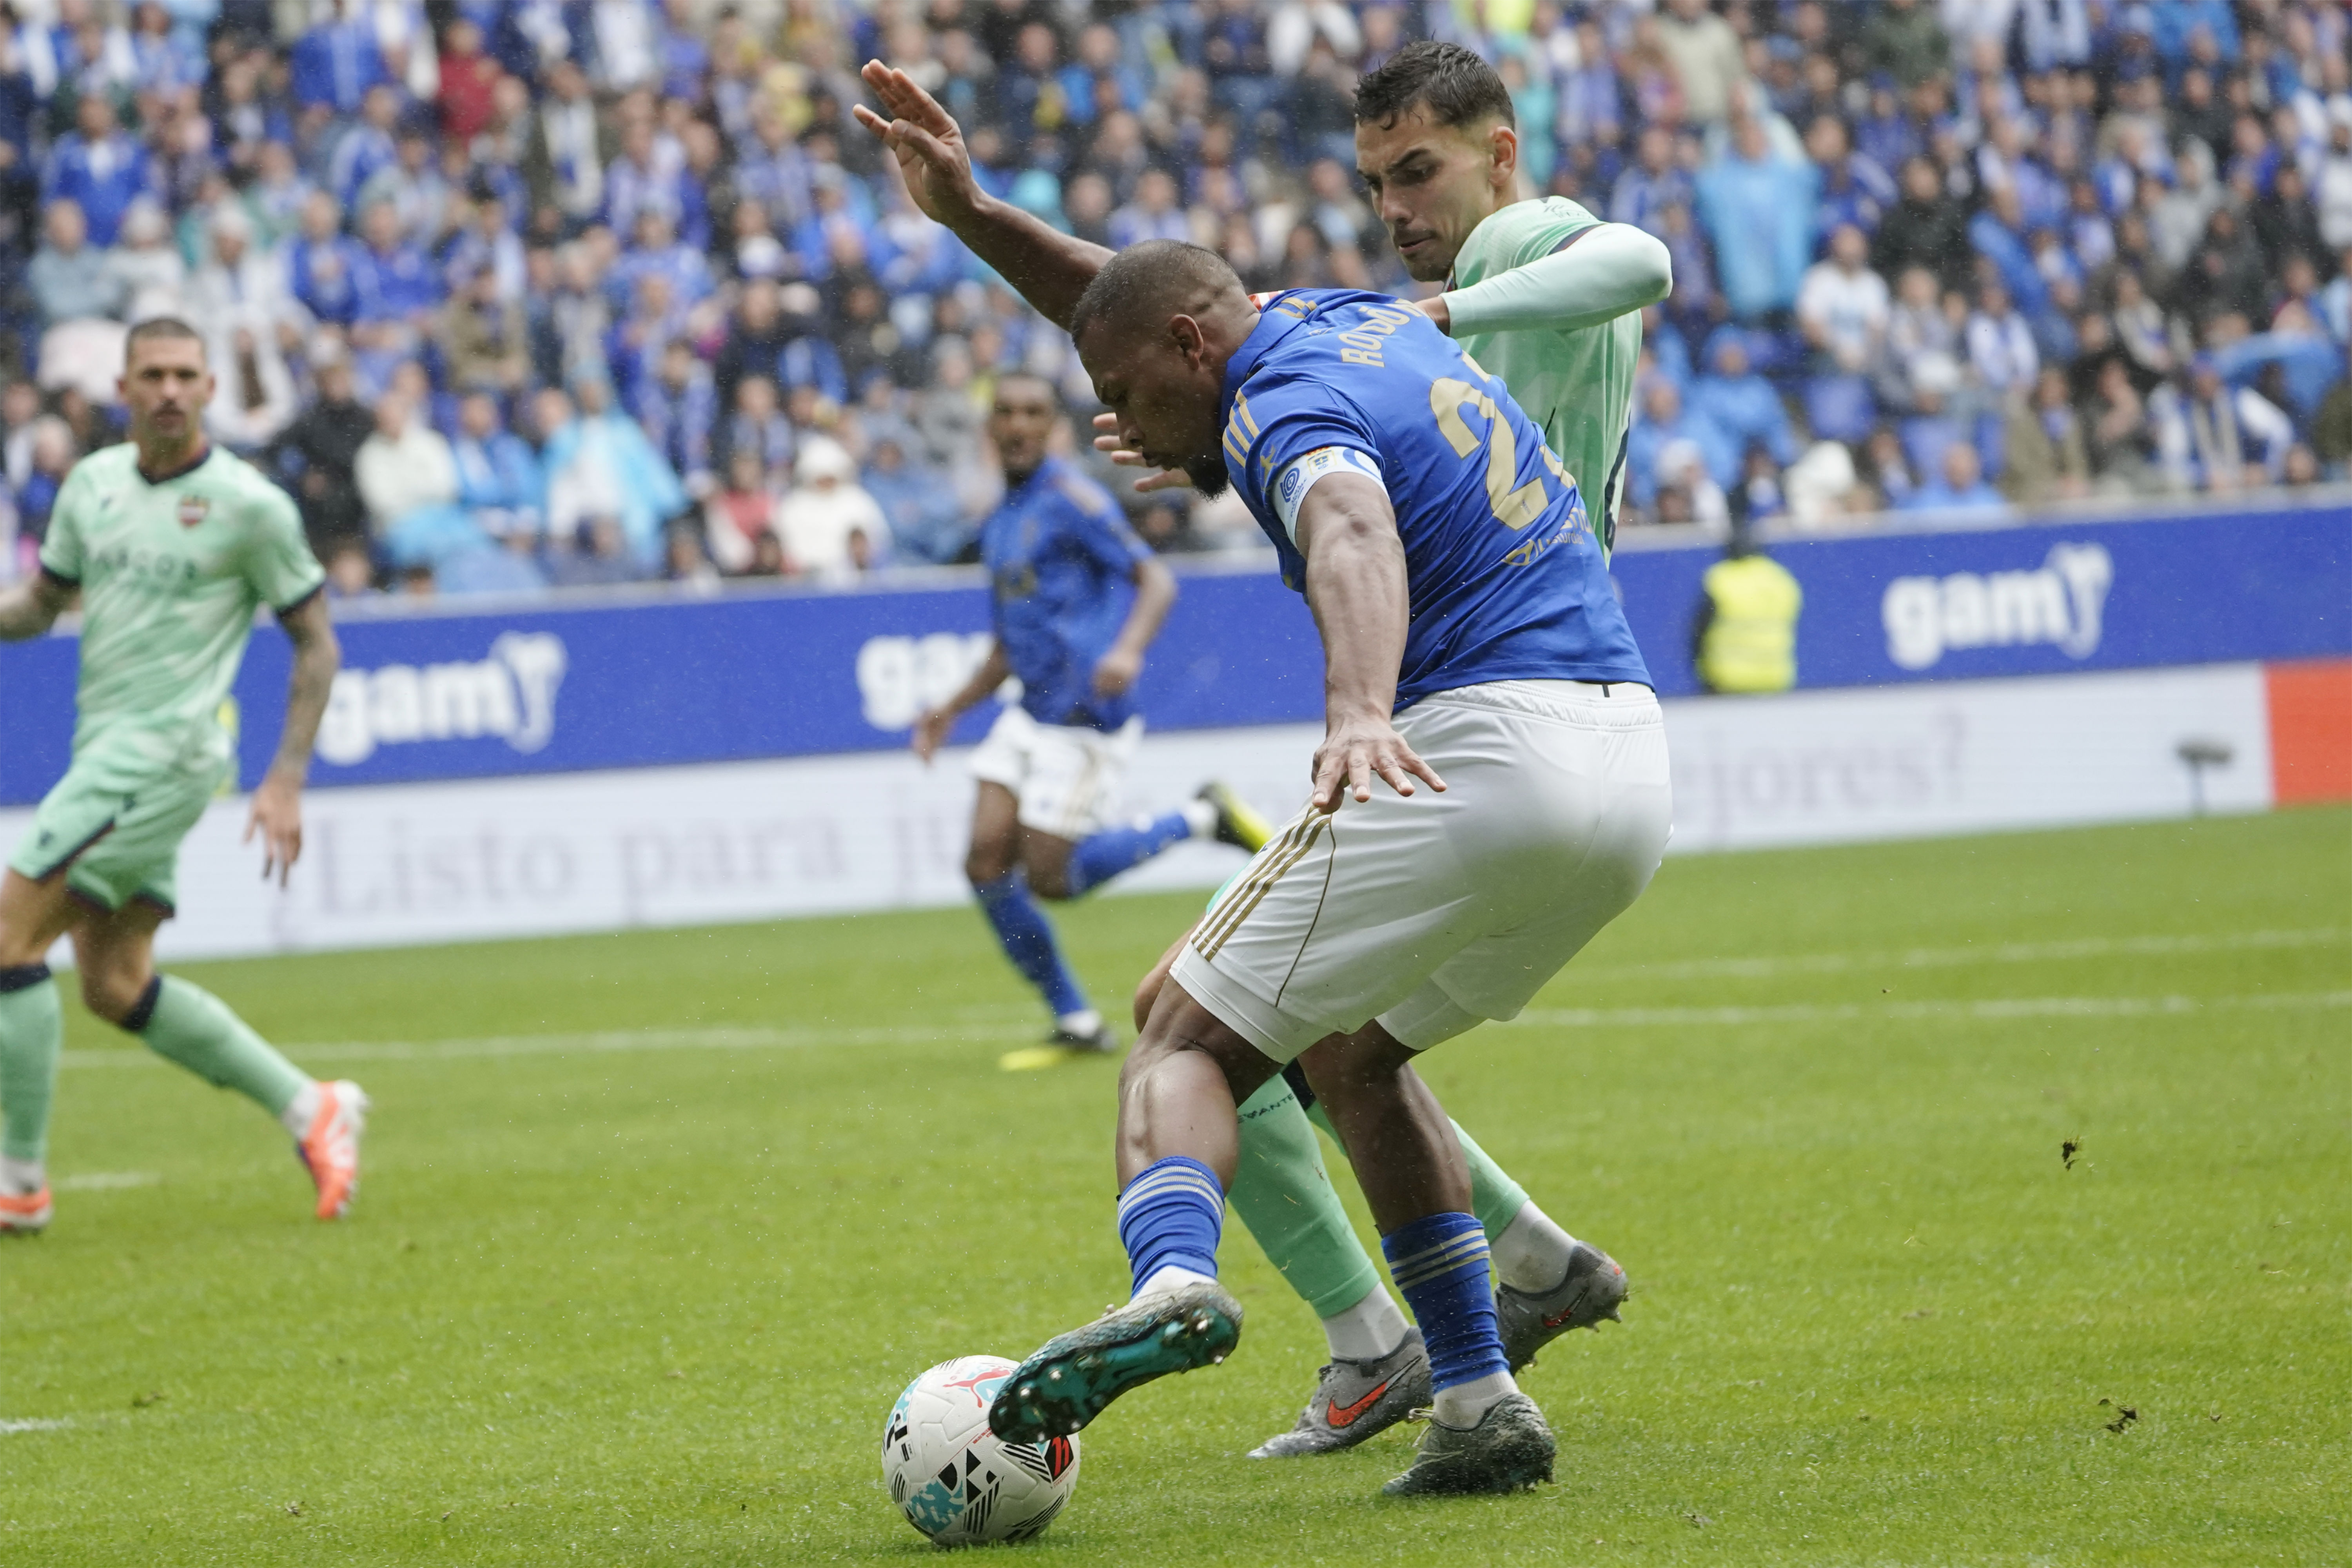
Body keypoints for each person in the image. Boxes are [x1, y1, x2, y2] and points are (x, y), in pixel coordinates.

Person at [861, 67, 1670, 1498]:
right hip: (1626, 769)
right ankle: (1477, 1395)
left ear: (1189, 351)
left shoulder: (1277, 397)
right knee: (1350, 1051)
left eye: (1121, 394)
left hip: (1469, 748)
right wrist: (975, 213)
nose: (1119, 421)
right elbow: (1135, 289)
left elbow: (1351, 524)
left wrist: (1358, 707)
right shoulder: (1332, 320)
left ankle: (1174, 1279)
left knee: (1177, 1030)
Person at [1086, 39, 1666, 1461]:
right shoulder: (1360, 329)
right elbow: (1173, 317)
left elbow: (1633, 259)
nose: (1399, 204)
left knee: (1183, 1022)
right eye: (1376, 181)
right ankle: (1495, 1328)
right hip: (1608, 723)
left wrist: (1447, 298)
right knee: (1349, 1045)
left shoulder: (1492, 259)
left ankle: (1326, 1321)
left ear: (1500, 151)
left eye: (1419, 171)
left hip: (1480, 714)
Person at [0, 318, 364, 1235]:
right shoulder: (91, 485)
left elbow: (316, 643)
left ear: (210, 389)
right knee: (116, 981)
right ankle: (311, 1107)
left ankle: (19, 1181)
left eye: (185, 375)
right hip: (107, 750)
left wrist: (286, 778)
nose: (168, 389)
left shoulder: (251, 505)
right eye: (151, 374)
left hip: (163, 754)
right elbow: (42, 608)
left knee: (8, 937)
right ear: (122, 387)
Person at [909, 370, 1269, 1065]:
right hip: (1030, 714)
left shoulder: (1073, 500)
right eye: (1006, 412)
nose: (1017, 424)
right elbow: (1008, 644)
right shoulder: (1003, 519)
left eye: (1032, 413)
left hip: (1085, 718)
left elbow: (1156, 579)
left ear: (1051, 428)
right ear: (990, 428)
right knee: (985, 859)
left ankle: (1201, 816)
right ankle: (1074, 1020)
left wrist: (1129, 651)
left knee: (1051, 878)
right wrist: (947, 711)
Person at [1690, 526, 1802, 693]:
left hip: (1728, 679)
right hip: (1776, 677)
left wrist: (1699, 669)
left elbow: (1699, 630)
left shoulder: (1722, 578)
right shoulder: (1781, 579)